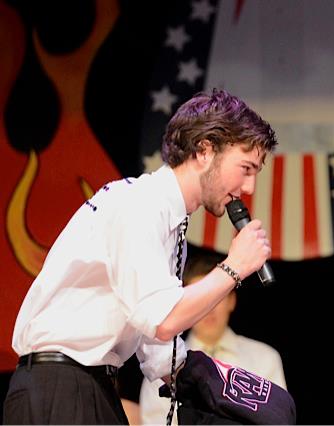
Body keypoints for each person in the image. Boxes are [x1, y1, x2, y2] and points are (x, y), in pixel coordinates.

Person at [3, 88, 277, 425]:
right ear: (205, 150)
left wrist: (221, 388)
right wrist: (234, 266)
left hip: (92, 384)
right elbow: (161, 320)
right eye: (246, 167)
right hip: (59, 387)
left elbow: (156, 348)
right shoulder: (140, 205)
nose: (249, 187)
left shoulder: (168, 223)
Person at [138, 244, 287, 425]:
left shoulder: (265, 358)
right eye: (199, 301)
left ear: (231, 301)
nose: (209, 310)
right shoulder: (161, 367)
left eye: (217, 298)